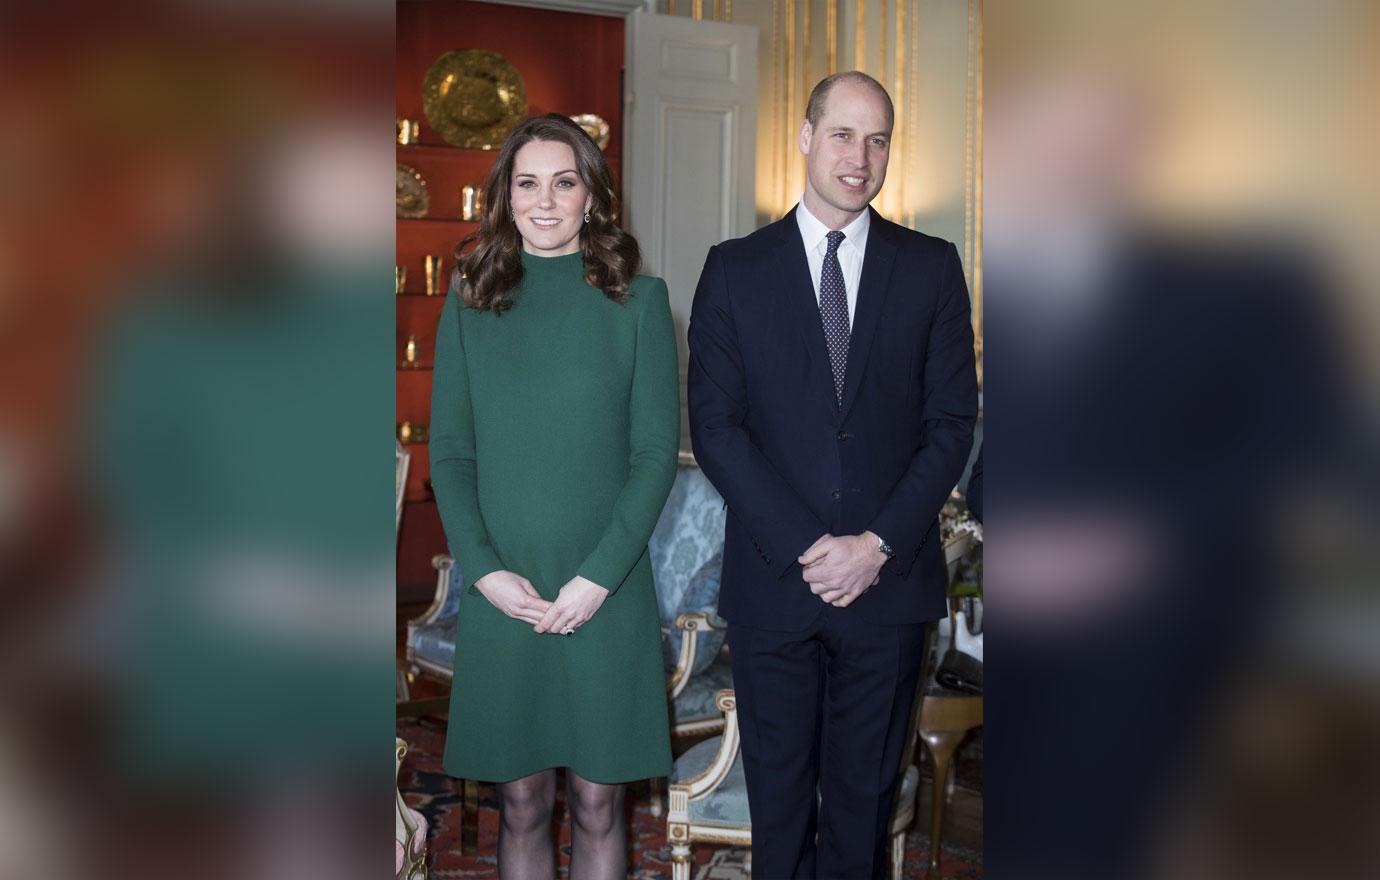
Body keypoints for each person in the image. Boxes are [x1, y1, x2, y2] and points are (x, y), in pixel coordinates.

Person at [688, 72, 978, 878]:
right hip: (775, 584)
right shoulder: (735, 269)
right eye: (844, 134)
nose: (862, 155)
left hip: (887, 588)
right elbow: (716, 428)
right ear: (808, 138)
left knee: (864, 813)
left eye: (878, 138)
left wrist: (875, 544)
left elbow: (951, 425)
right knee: (778, 815)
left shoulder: (930, 267)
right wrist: (813, 545)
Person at [428, 113, 679, 879]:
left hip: (608, 589)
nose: (544, 202)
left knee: (604, 805)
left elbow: (653, 457)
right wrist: (485, 574)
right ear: (505, 197)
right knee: (524, 803)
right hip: (510, 593)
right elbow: (451, 454)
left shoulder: (641, 303)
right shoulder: (470, 300)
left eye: (563, 183)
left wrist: (598, 577)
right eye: (526, 183)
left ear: (591, 197)